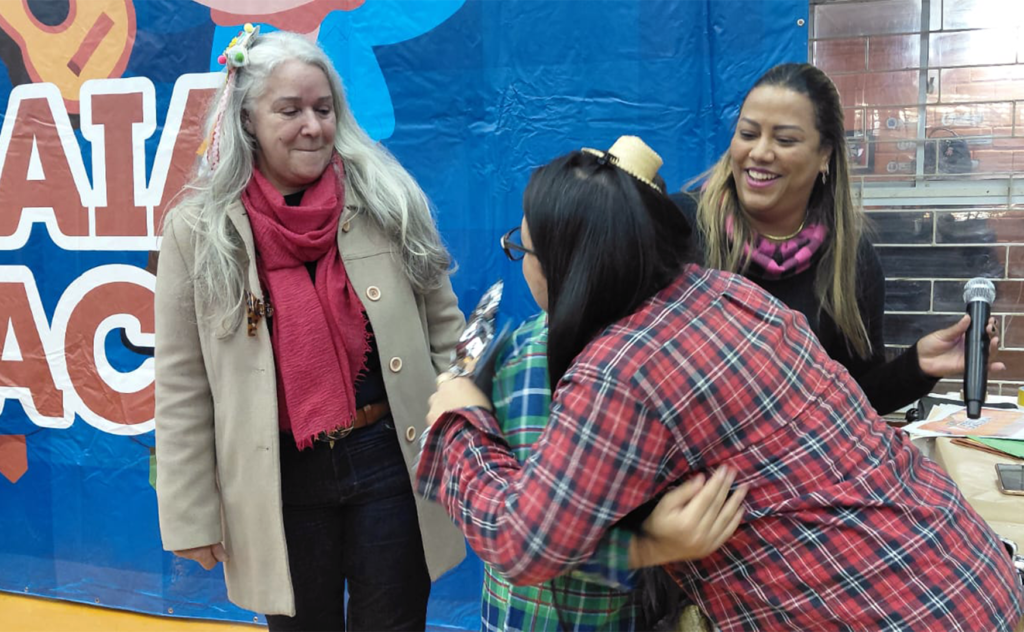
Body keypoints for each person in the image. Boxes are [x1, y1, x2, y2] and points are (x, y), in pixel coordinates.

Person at [417, 135, 1024, 631]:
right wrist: (646, 544)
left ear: (569, 265)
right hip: (966, 576)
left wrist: (458, 422)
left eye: (522, 249)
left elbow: (523, 541)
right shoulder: (732, 294)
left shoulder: (618, 368)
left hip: (870, 610)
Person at [154, 29, 465, 630]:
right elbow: (182, 385)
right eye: (289, 110)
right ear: (247, 119)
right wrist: (190, 515)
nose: (312, 127)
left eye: (324, 109)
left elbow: (445, 334)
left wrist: (464, 445)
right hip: (278, 479)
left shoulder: (388, 200)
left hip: (390, 461)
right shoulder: (198, 230)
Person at [674, 62, 1001, 416]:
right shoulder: (676, 227)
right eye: (748, 134)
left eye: (785, 140)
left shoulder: (851, 257)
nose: (760, 153)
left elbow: (855, 398)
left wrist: (919, 365)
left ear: (825, 155)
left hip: (798, 451)